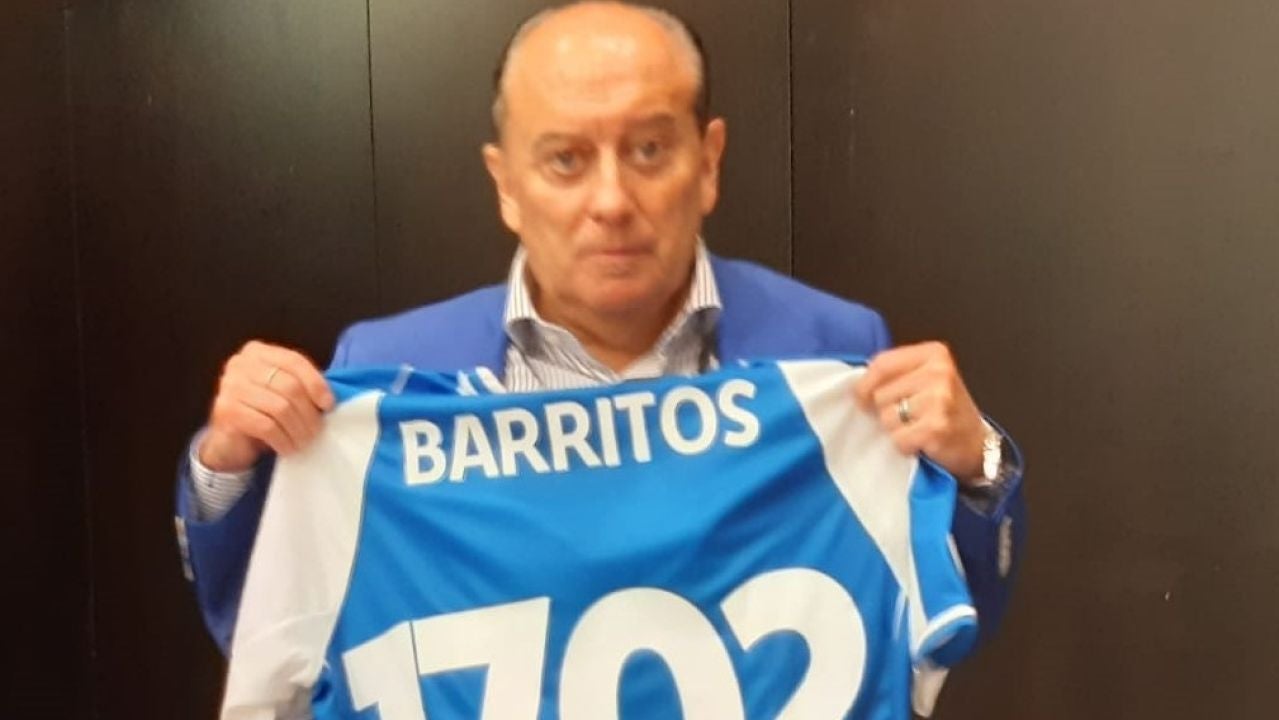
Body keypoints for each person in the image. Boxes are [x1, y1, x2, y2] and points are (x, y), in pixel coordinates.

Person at [175, 0, 1024, 662]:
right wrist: (229, 466)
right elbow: (274, 626)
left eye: (649, 150)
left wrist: (975, 466)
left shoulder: (832, 348)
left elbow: (931, 620)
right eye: (565, 160)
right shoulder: (388, 371)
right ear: (506, 184)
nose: (611, 200)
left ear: (708, 162)